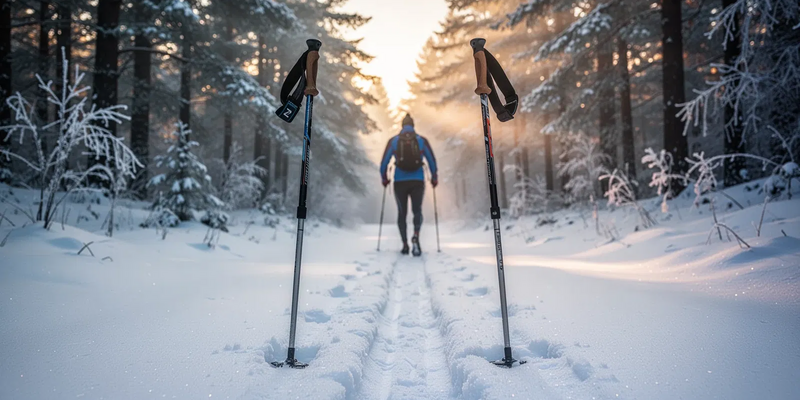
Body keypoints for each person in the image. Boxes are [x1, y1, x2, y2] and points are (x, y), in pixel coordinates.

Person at [380, 113, 438, 256]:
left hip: (399, 181)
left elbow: (384, 163)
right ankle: (416, 236)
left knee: (402, 212)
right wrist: (434, 177)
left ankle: (405, 244)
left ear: (402, 126)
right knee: (417, 210)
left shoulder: (393, 141)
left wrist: (384, 178)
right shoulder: (422, 141)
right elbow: (431, 160)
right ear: (413, 126)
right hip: (417, 180)